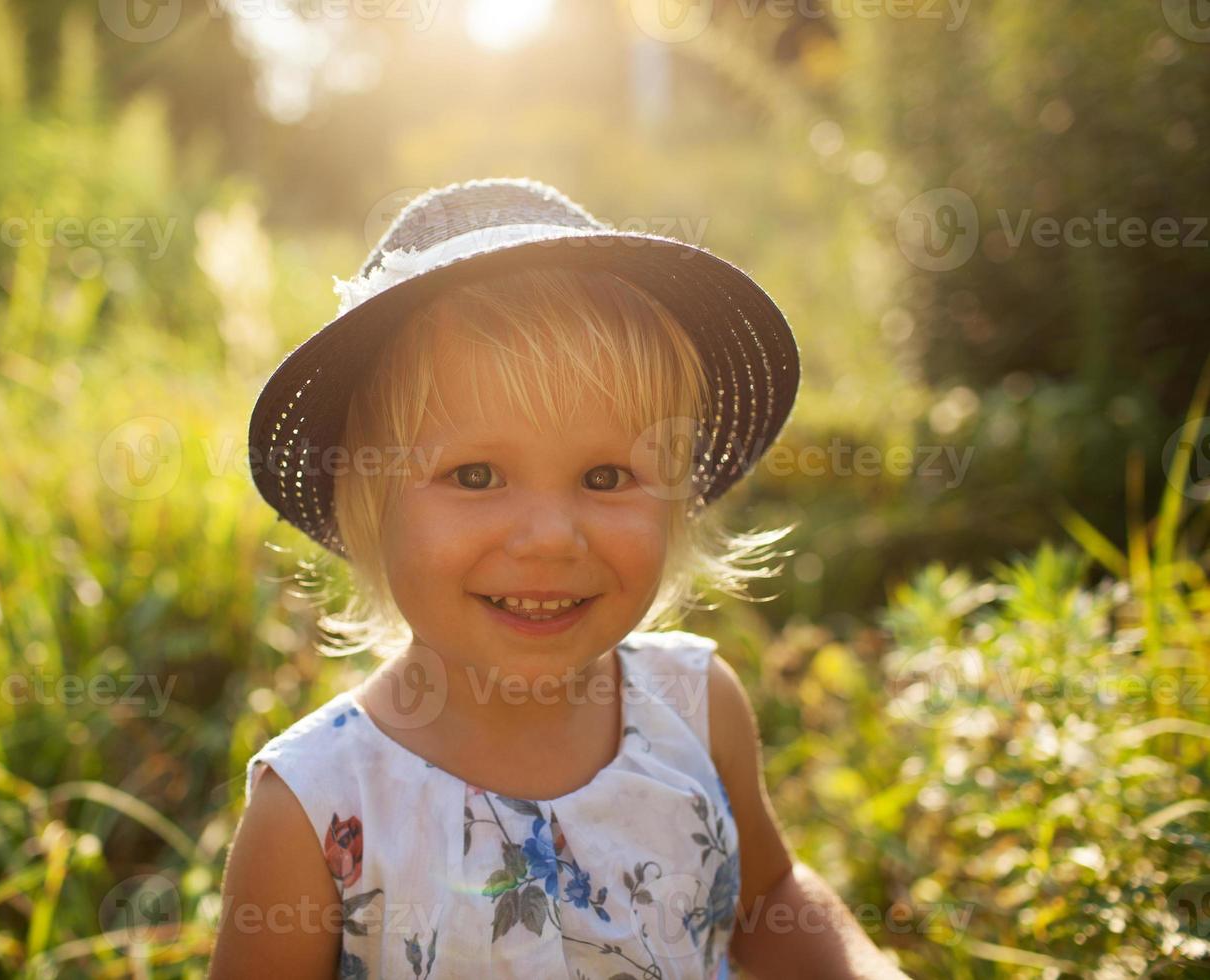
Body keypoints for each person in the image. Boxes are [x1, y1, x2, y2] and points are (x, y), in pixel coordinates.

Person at [211, 178, 909, 978]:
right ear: (368, 506)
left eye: (607, 477)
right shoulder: (319, 807)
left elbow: (771, 899)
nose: (550, 538)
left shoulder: (694, 706)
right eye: (476, 476)